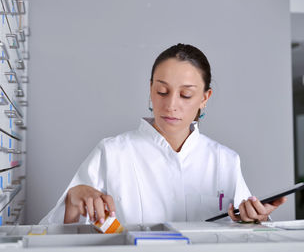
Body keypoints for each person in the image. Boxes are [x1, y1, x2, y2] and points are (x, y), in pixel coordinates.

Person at [40, 43, 286, 225]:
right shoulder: (112, 152)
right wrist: (73, 199)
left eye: (186, 95)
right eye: (162, 91)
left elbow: (247, 234)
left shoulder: (225, 160)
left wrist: (254, 219)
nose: (171, 105)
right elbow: (54, 233)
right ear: (150, 89)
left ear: (204, 98)